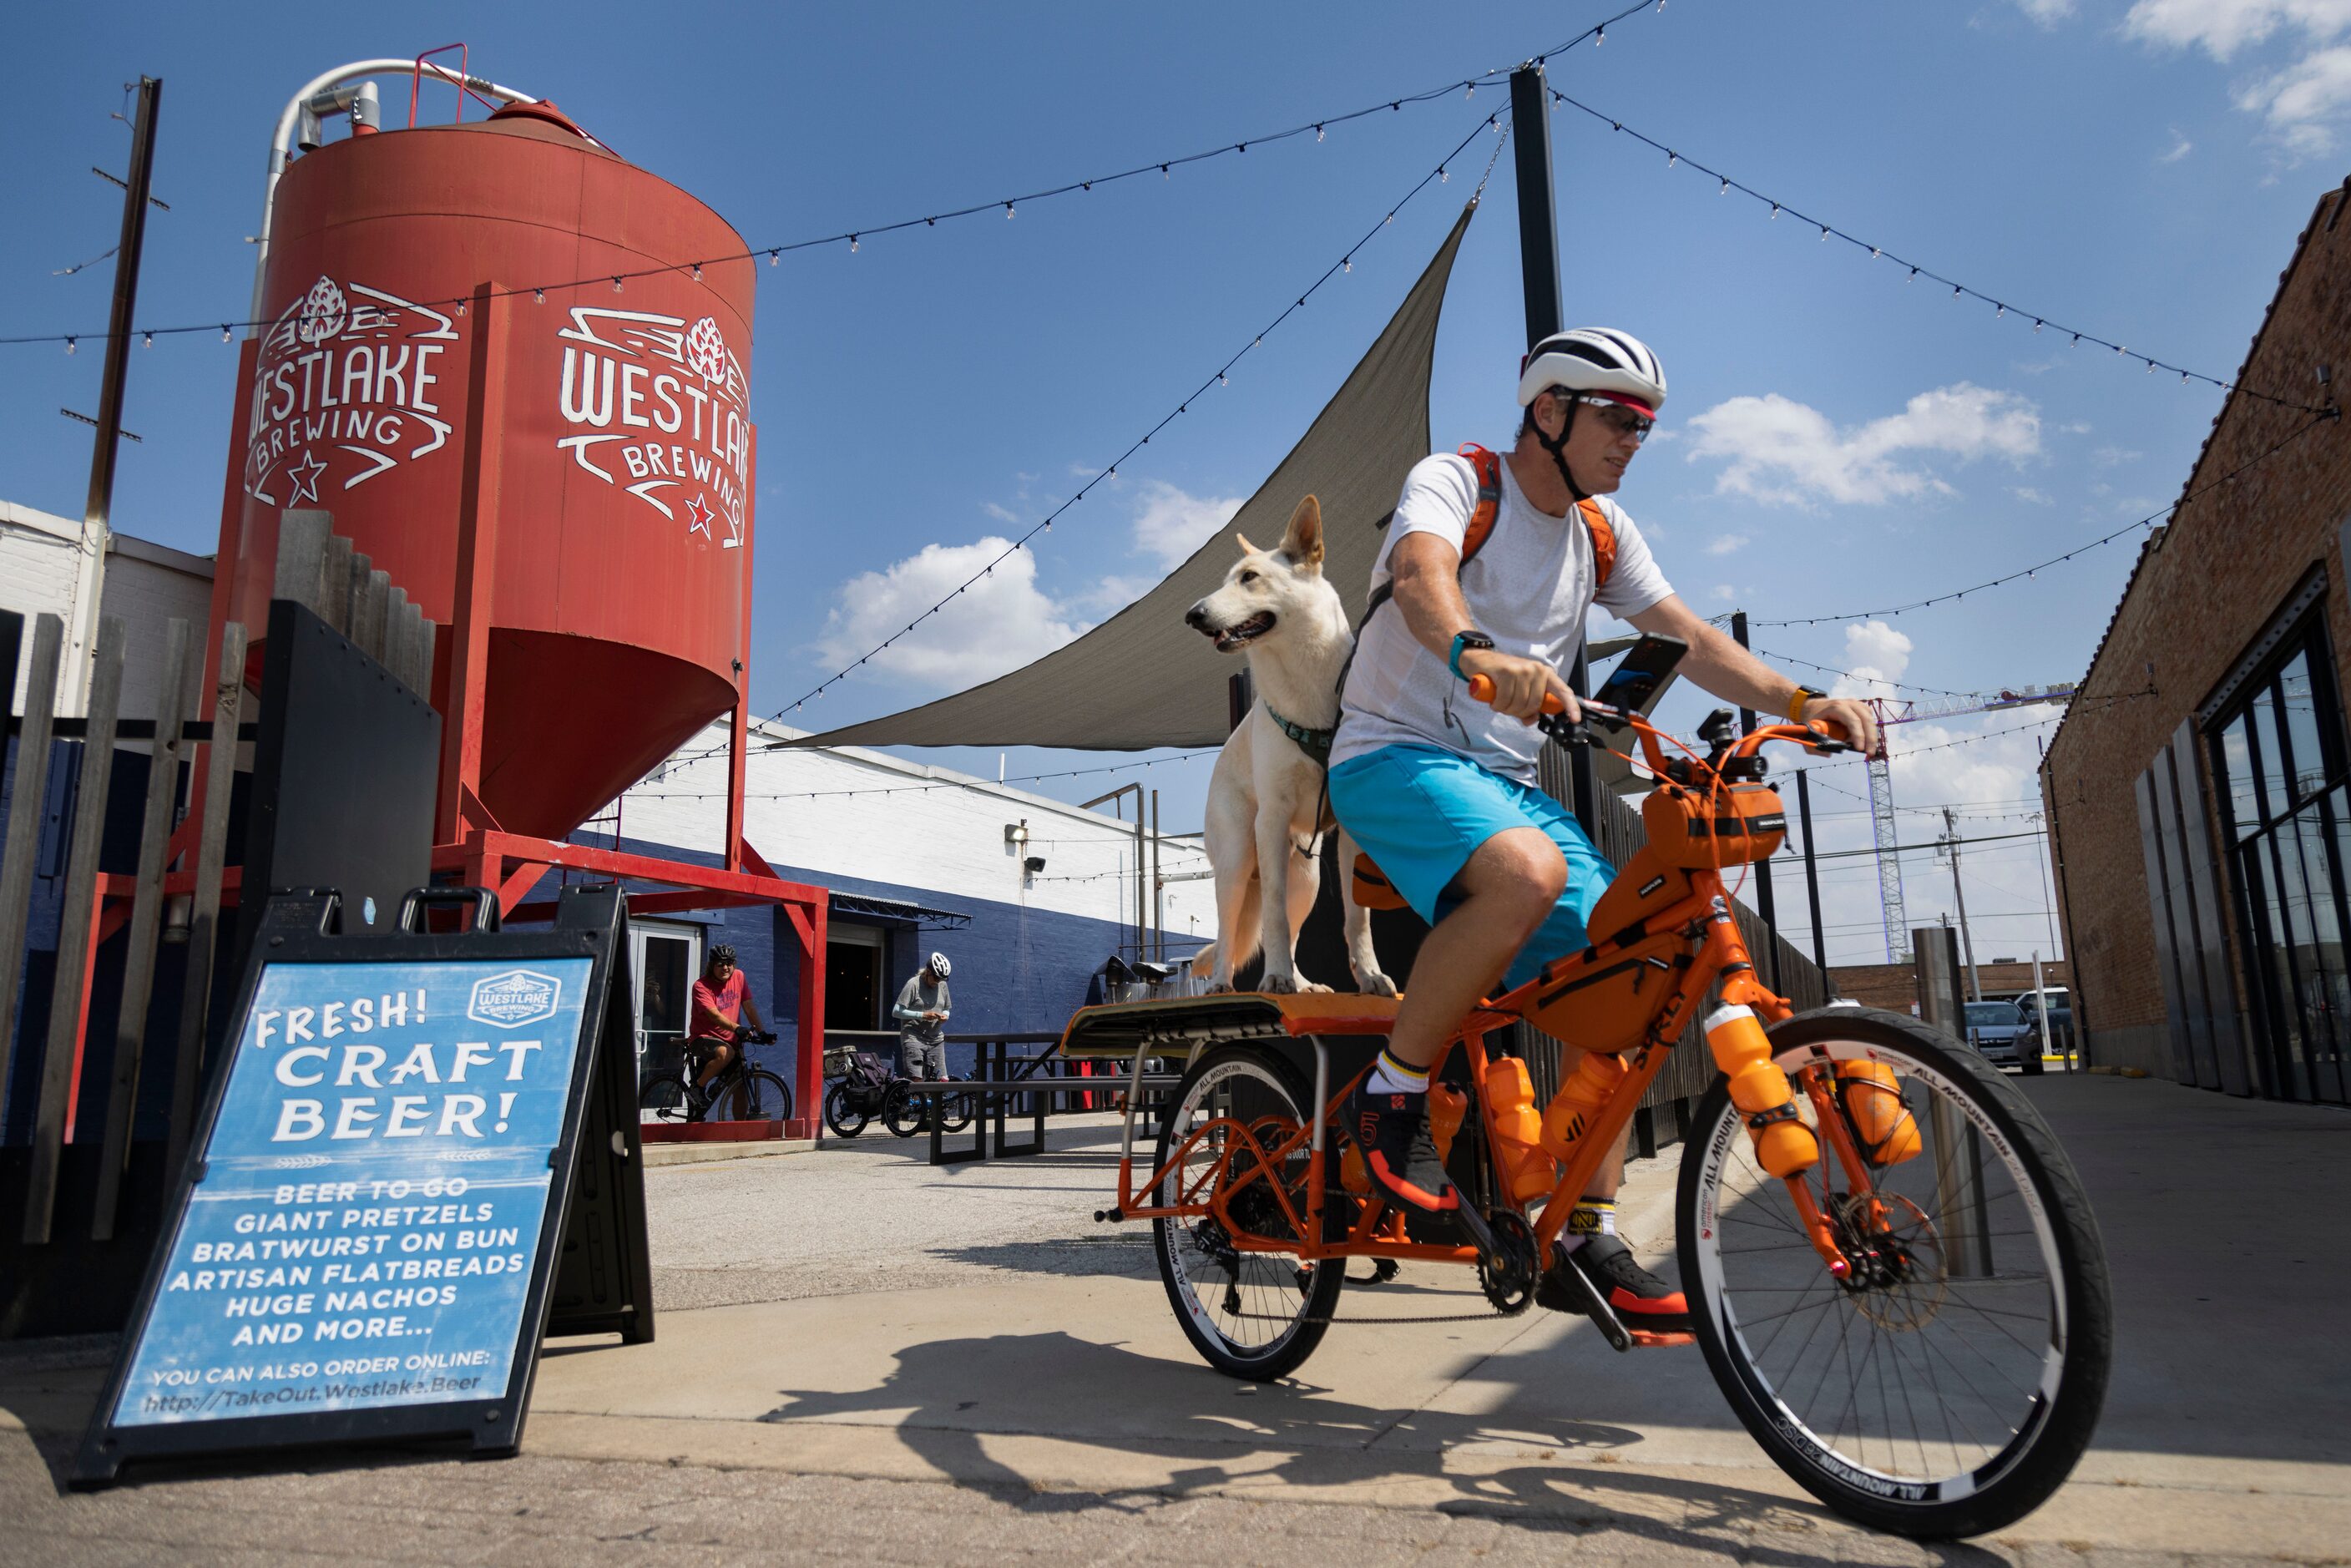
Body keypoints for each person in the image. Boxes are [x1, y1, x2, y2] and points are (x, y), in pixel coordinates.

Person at [1328, 328, 1879, 1336]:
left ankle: (1579, 1233)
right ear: (1550, 411)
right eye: (1619, 419)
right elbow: (1417, 578)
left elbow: (1693, 641)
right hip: (1388, 756)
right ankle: (1390, 1100)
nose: (1635, 440)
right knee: (1527, 872)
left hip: (1497, 777)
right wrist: (1473, 651)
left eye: (1646, 426)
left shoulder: (1602, 532)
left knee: (1630, 976)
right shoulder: (1459, 479)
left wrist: (1804, 698)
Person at [689, 943, 766, 1100]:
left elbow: (749, 1007)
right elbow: (714, 1016)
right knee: (725, 1052)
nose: (725, 968)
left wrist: (762, 1033)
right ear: (711, 966)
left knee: (740, 1087)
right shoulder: (701, 986)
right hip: (703, 1039)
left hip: (731, 1040)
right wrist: (738, 1028)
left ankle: (741, 1125)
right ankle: (697, 1089)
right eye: (720, 964)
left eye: (729, 963)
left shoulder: (739, 977)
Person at [894, 952, 953, 1081]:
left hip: (935, 1039)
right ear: (928, 972)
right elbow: (897, 1011)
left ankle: (934, 1101)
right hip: (914, 1036)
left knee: (941, 1080)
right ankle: (915, 1100)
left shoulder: (942, 985)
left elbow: (947, 1008)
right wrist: (922, 1015)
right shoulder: (913, 984)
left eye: (942, 979)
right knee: (916, 1078)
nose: (938, 982)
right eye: (937, 978)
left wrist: (945, 1016)